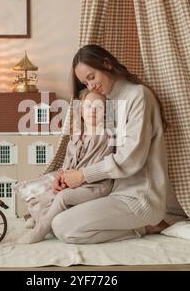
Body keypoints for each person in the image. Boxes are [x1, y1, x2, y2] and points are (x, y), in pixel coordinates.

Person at [50, 44, 170, 244]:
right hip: (113, 193)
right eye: (85, 83)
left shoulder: (138, 95)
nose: (91, 86)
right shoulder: (107, 104)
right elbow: (94, 149)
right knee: (56, 214)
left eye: (91, 77)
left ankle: (146, 226)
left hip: (140, 198)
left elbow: (131, 159)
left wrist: (82, 176)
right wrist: (65, 174)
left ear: (107, 64)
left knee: (63, 227)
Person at [18, 90, 115, 244]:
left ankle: (41, 229)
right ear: (81, 111)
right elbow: (67, 162)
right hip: (73, 181)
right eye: (88, 107)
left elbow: (96, 167)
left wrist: (71, 181)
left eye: (99, 107)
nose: (93, 111)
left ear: (106, 112)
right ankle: (39, 219)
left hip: (94, 185)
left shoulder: (105, 136)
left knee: (63, 197)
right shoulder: (76, 136)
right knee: (46, 194)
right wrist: (61, 177)